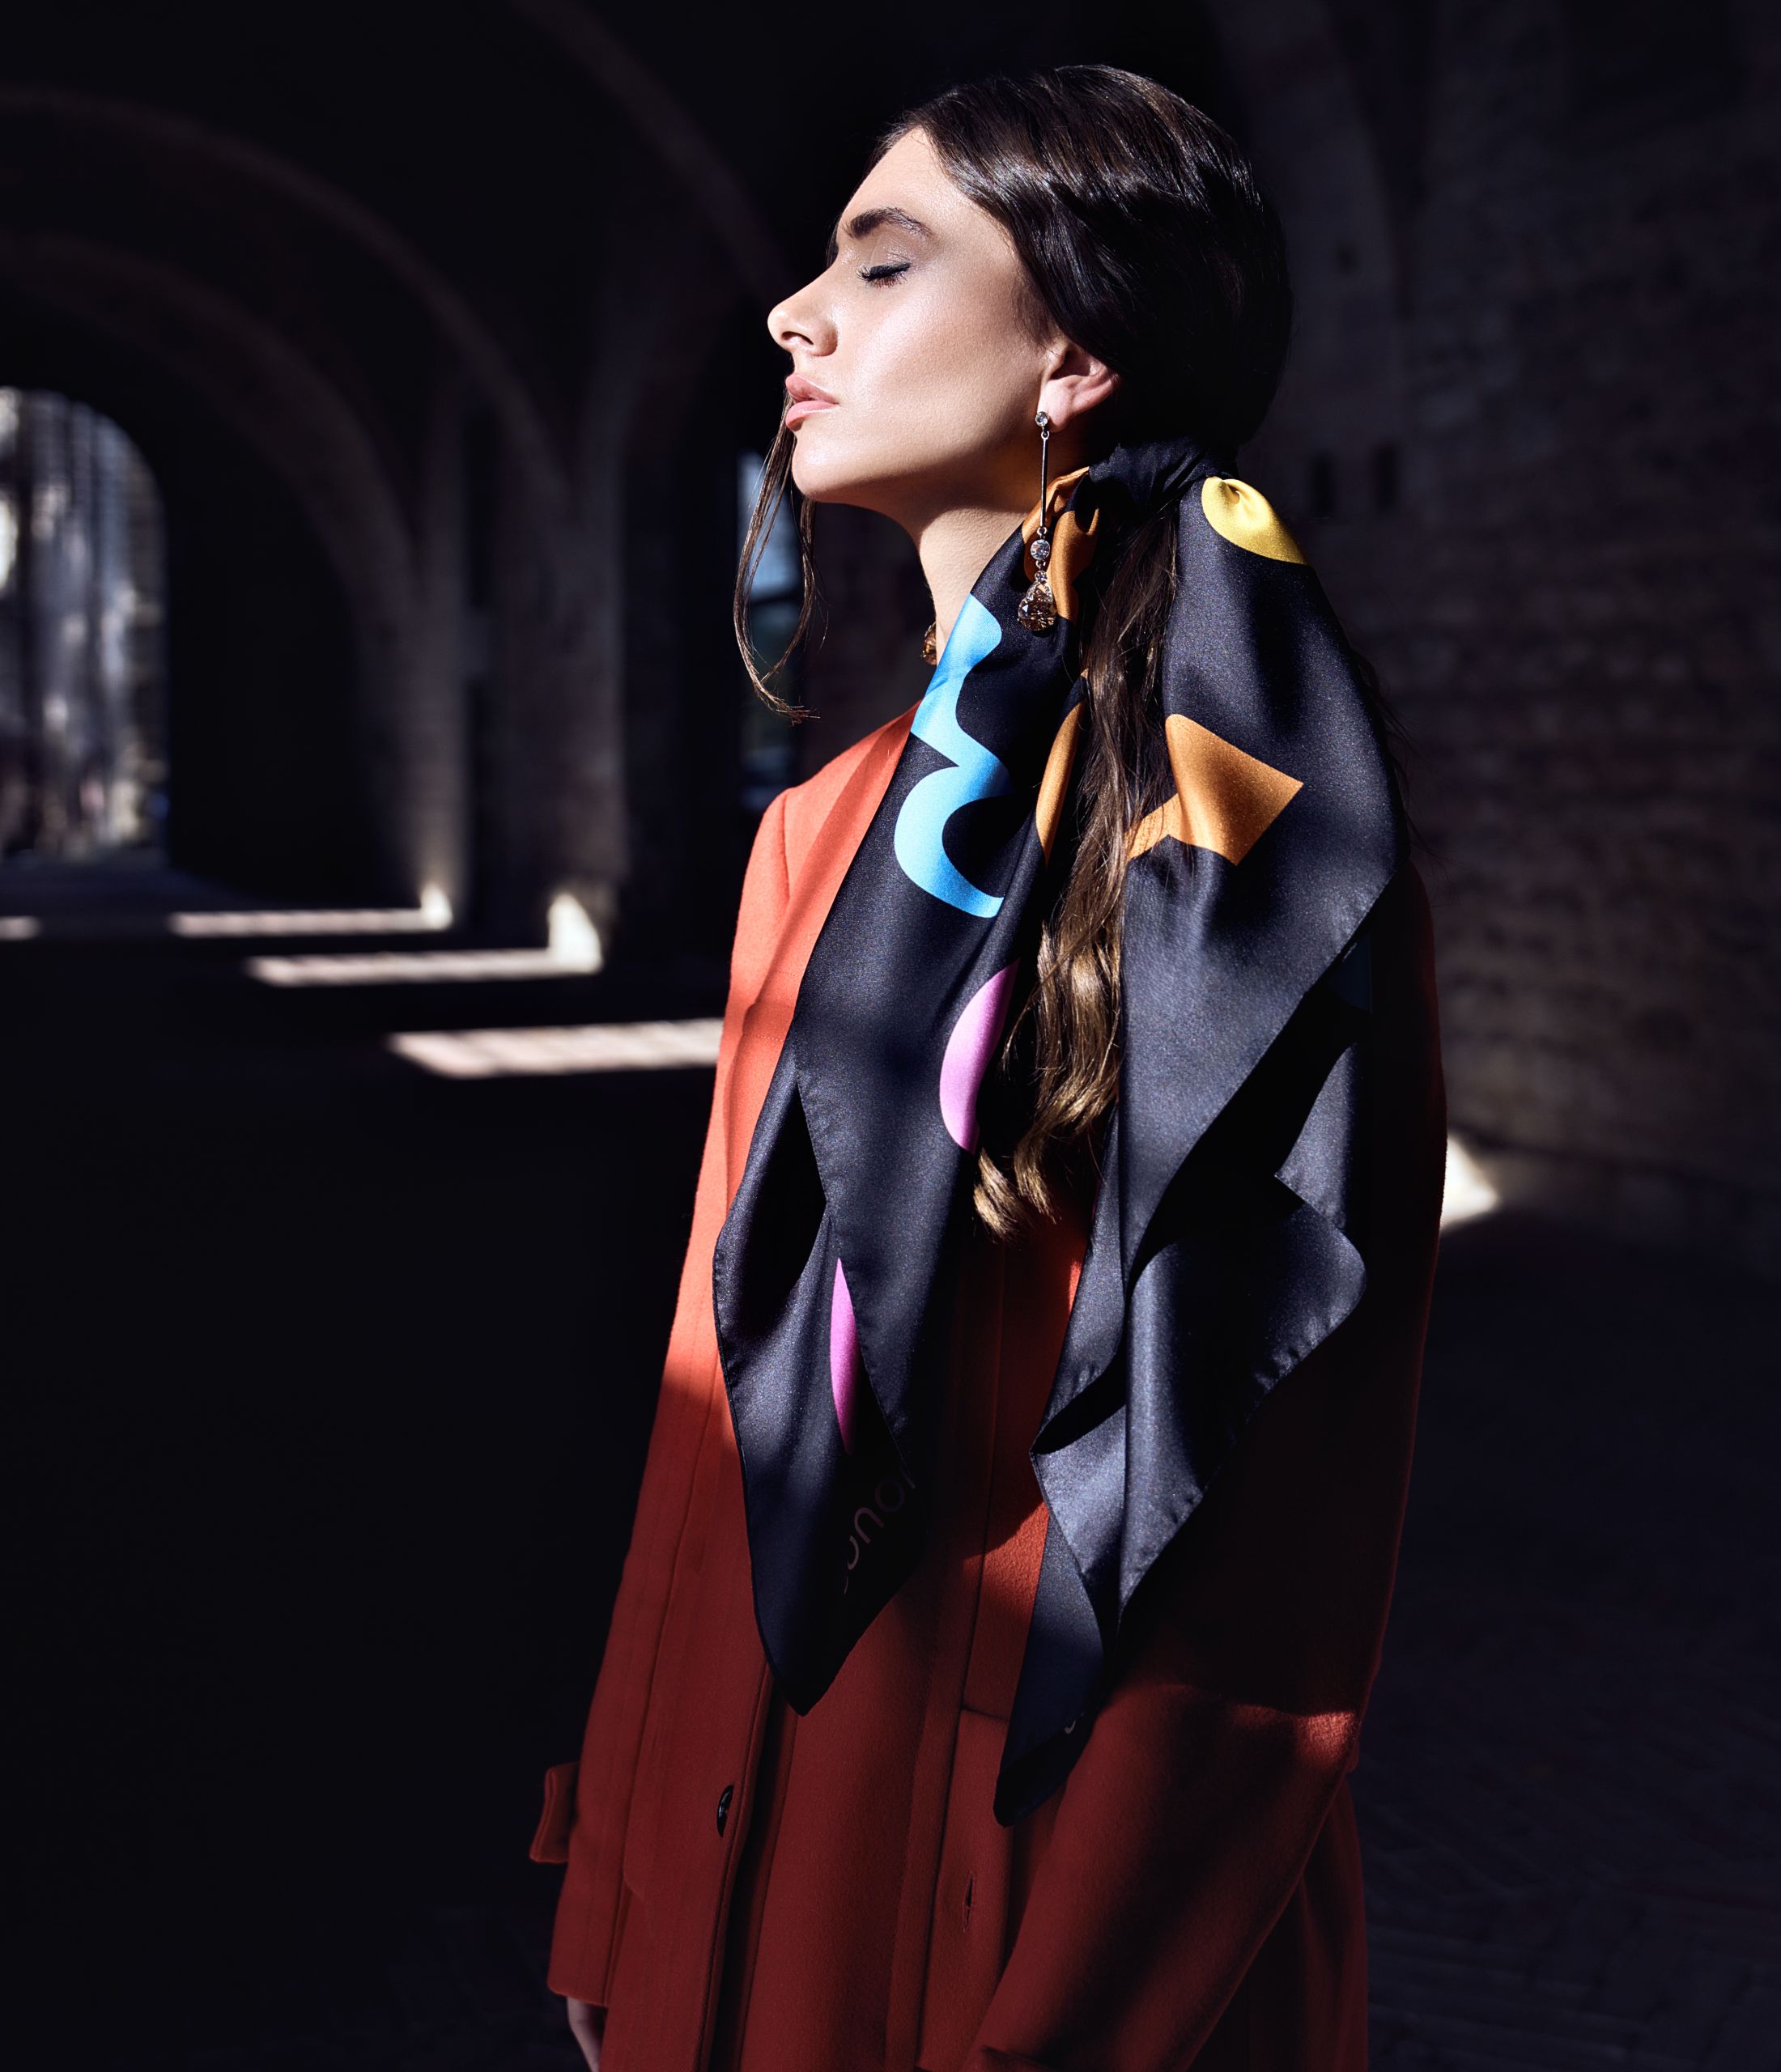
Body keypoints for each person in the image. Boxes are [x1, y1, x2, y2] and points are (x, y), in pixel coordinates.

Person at [530, 62, 1446, 2072]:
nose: (794, 312)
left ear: (1074, 352)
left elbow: (1275, 1515)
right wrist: (617, 1863)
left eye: (882, 260)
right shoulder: (815, 833)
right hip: (745, 1844)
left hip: (1038, 1897)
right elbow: (711, 1406)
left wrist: (1071, 2021)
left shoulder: (1247, 836)